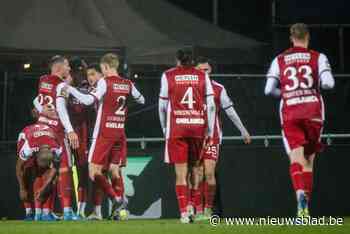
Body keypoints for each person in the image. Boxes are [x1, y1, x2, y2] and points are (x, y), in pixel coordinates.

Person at [62, 53, 145, 220]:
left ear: (106, 67)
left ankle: (116, 199)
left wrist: (70, 89)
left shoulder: (105, 82)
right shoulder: (127, 83)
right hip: (119, 133)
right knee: (115, 171)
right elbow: (141, 99)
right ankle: (119, 213)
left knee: (93, 172)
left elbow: (87, 101)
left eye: (100, 70)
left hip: (104, 134)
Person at [264, 23, 335, 217]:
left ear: (291, 37)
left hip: (291, 111)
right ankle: (306, 208)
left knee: (296, 159)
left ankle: (300, 205)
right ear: (308, 37)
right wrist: (312, 88)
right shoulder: (318, 57)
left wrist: (287, 92)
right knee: (309, 162)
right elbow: (329, 83)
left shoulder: (279, 59)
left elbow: (268, 90)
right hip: (313, 110)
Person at [158, 49, 216, 223]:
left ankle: (184, 212)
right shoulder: (202, 75)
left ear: (177, 60)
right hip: (197, 128)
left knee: (181, 173)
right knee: (195, 169)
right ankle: (192, 205)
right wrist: (210, 131)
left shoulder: (168, 75)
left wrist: (164, 128)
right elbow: (211, 106)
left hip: (177, 129)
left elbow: (162, 106)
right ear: (192, 60)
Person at [190, 57, 251, 220]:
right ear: (195, 71)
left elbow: (230, 111)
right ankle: (197, 210)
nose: (204, 73)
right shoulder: (189, 88)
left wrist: (243, 131)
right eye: (200, 70)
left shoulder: (218, 88)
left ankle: (208, 210)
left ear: (211, 71)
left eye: (207, 70)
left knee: (209, 173)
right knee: (197, 173)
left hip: (212, 137)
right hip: (194, 136)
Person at [32, 55, 80, 220]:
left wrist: (41, 110)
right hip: (56, 132)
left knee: (44, 171)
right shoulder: (60, 86)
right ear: (59, 68)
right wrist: (71, 131)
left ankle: (42, 214)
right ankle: (67, 211)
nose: (69, 69)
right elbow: (60, 110)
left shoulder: (43, 79)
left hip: (41, 129)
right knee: (64, 169)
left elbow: (36, 100)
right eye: (67, 66)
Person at [16, 124, 62, 221]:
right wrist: (22, 188)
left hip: (47, 135)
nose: (43, 165)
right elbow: (18, 167)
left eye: (46, 163)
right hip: (25, 136)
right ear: (37, 155)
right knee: (26, 171)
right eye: (42, 162)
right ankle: (29, 213)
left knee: (52, 177)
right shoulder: (29, 148)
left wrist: (44, 187)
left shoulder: (57, 149)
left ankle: (46, 213)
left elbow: (55, 169)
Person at [67, 57, 91, 218]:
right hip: (67, 133)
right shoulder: (64, 87)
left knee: (83, 171)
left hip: (84, 135)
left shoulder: (91, 87)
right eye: (83, 69)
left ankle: (81, 211)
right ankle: (65, 209)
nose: (86, 73)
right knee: (63, 171)